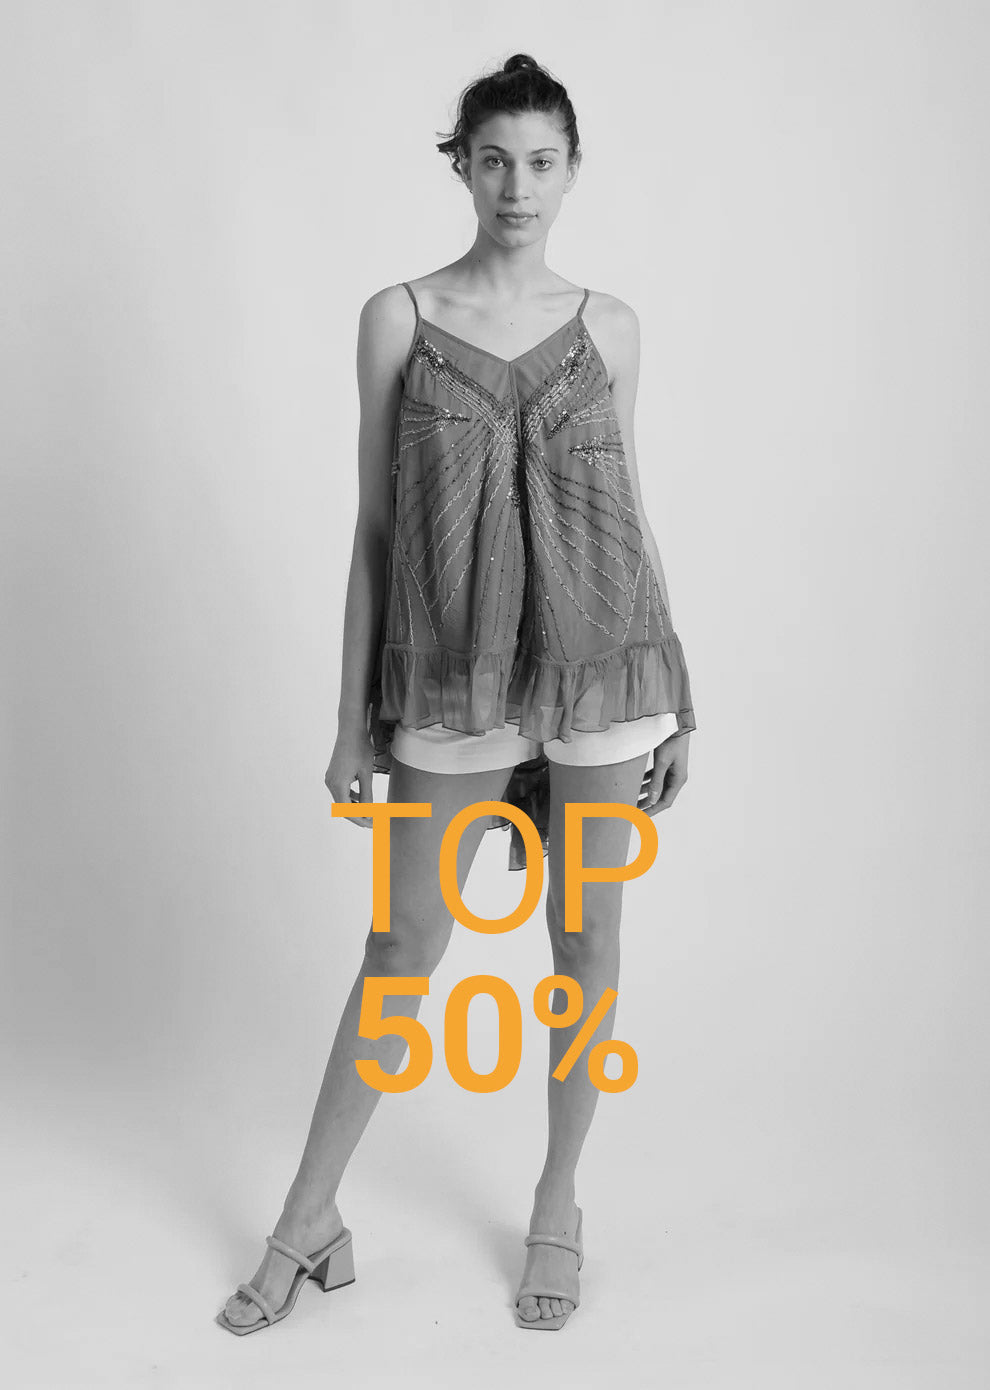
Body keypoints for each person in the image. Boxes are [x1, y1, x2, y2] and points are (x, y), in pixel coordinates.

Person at [217, 51, 696, 1337]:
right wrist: (349, 720)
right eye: (494, 161)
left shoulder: (612, 327)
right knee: (400, 951)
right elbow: (377, 531)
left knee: (585, 948)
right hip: (451, 676)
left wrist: (679, 694)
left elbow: (627, 513)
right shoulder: (400, 318)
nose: (517, 188)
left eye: (541, 163)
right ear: (462, 169)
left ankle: (557, 1202)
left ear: (572, 170)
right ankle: (307, 1217)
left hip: (601, 673)